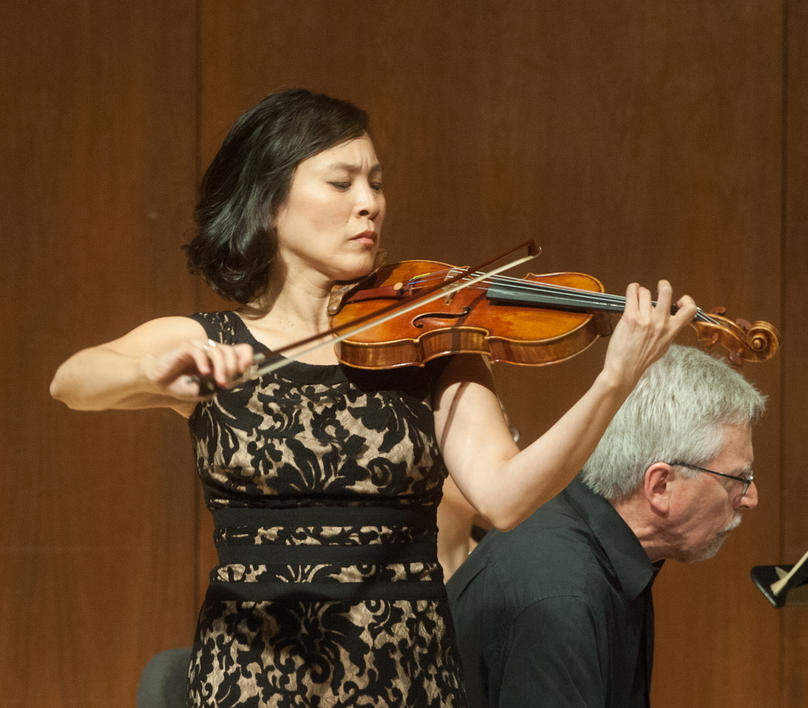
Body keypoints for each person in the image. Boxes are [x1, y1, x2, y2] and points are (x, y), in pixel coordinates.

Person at [49, 88, 697, 707]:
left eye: (376, 183)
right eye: (341, 182)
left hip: (403, 679)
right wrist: (156, 371)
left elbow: (504, 499)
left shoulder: (434, 345)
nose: (369, 203)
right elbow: (73, 380)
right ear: (270, 201)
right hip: (247, 683)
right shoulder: (206, 341)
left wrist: (613, 383)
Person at [447, 344, 766, 708]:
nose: (750, 497)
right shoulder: (560, 597)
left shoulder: (592, 544)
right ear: (659, 486)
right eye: (738, 478)